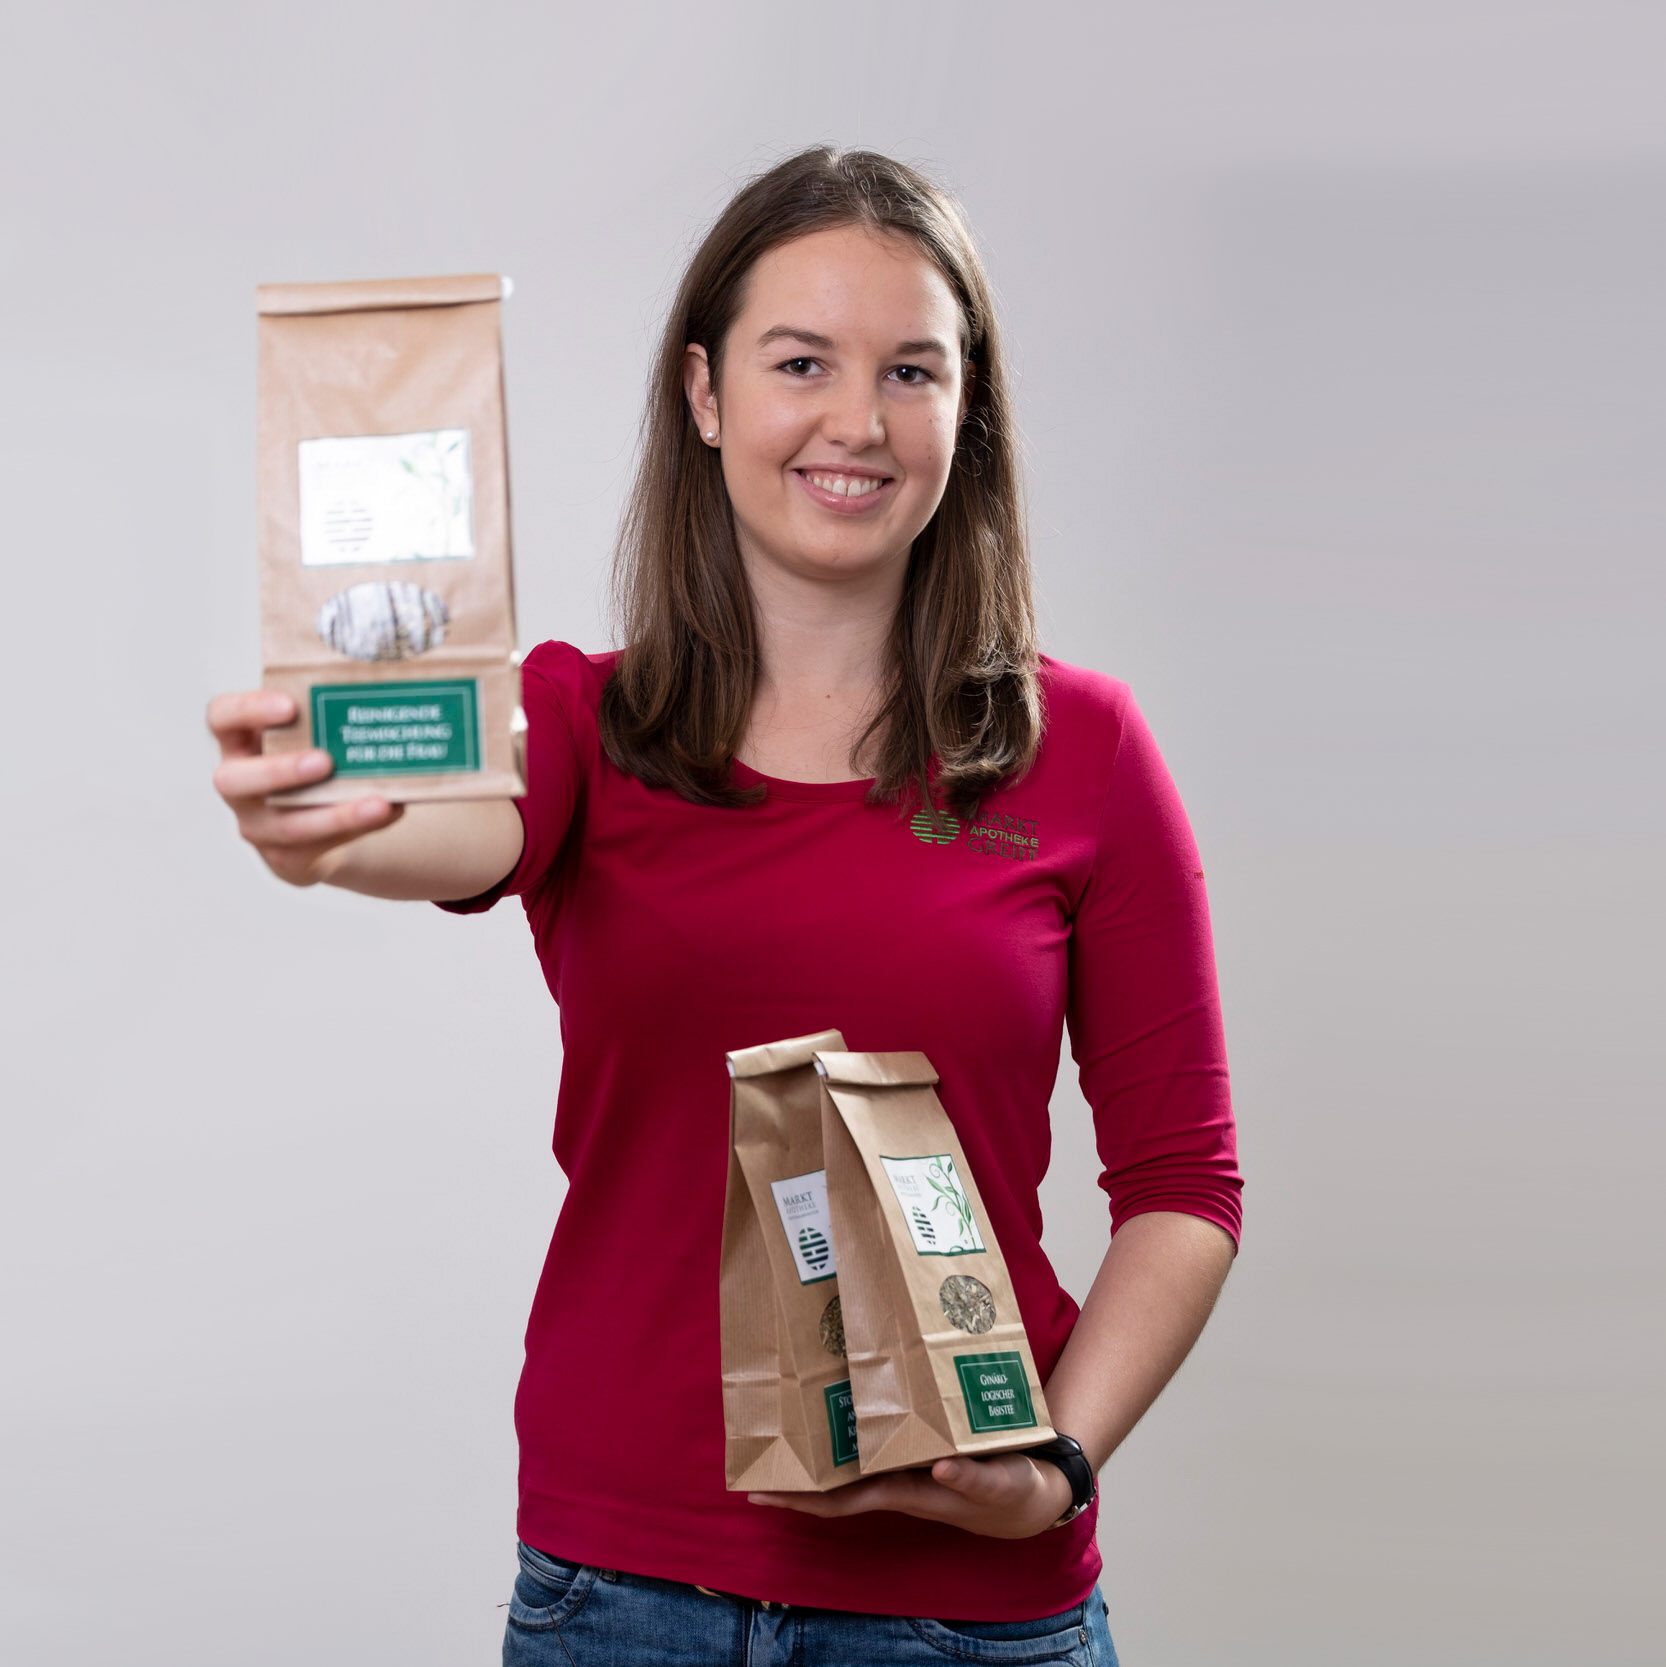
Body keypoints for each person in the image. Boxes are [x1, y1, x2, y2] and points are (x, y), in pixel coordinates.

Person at [208, 146, 1242, 1667]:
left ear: (965, 410)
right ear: (704, 393)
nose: (856, 421)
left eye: (909, 371)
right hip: (619, 1599)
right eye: (801, 362)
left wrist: (1058, 1469)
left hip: (966, 1620)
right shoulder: (586, 722)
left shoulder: (1082, 749)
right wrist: (323, 827)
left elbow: (1184, 1187)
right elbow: (451, 827)